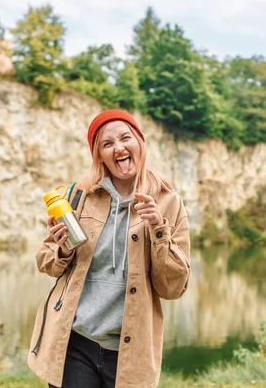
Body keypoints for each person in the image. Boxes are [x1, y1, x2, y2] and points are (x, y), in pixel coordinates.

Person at [28, 109, 191, 388]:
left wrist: (158, 228)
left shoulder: (168, 201)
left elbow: (173, 288)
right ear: (99, 156)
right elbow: (46, 261)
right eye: (107, 144)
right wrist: (61, 247)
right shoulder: (79, 195)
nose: (118, 147)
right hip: (76, 341)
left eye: (125, 138)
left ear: (139, 142)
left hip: (131, 351)